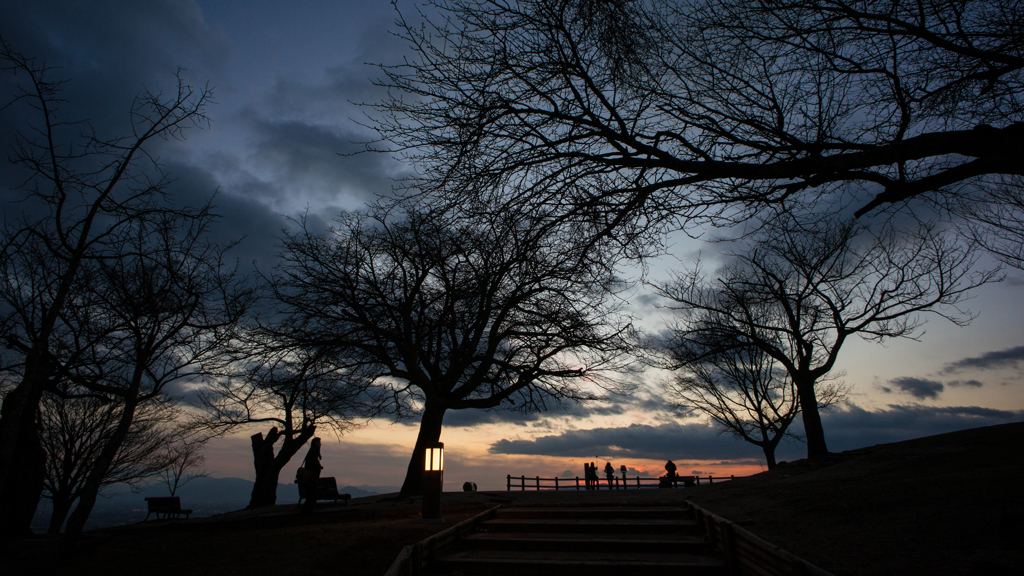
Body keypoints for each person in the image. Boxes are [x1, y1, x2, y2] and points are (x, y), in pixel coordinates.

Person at [301, 438, 323, 512]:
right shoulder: (315, 450)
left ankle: (307, 508)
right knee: (313, 492)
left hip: (309, 474)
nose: (320, 444)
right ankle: (308, 509)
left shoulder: (311, 450)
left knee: (310, 493)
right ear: (316, 443)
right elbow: (314, 462)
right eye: (319, 442)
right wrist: (318, 467)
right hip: (313, 475)